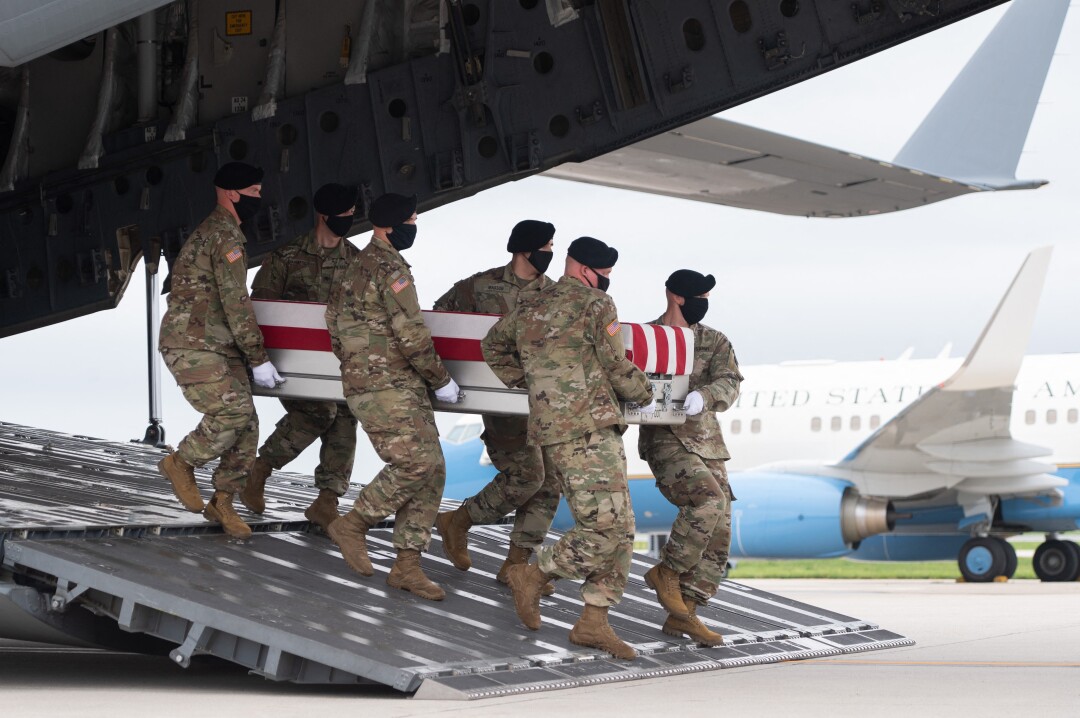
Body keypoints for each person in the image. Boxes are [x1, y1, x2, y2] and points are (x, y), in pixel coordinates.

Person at [482, 236, 655, 659]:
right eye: (604, 275)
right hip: (588, 427)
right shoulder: (596, 306)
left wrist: (536, 385)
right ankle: (534, 574)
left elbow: (492, 346)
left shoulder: (529, 305)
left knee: (622, 526)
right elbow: (616, 365)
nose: (606, 283)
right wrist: (644, 392)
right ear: (582, 269)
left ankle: (593, 621)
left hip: (555, 428)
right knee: (605, 527)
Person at [324, 192, 461, 601]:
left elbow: (333, 325)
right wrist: (441, 380)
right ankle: (353, 523)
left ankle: (407, 565)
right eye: (412, 220)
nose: (414, 227)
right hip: (387, 386)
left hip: (381, 384)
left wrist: (357, 364)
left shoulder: (352, 268)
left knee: (432, 468)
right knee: (416, 463)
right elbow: (412, 335)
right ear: (391, 226)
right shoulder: (390, 271)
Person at [157, 161, 284, 539]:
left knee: (247, 426)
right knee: (234, 412)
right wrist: (259, 358)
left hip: (215, 344)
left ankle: (222, 502)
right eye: (254, 192)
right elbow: (235, 303)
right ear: (232, 193)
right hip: (193, 343)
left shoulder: (222, 233)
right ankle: (181, 462)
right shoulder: (224, 238)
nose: (260, 198)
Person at [432, 220, 559, 591]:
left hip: (543, 406)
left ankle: (516, 566)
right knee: (528, 477)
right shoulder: (480, 287)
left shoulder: (555, 294)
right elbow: (441, 322)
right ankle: (459, 520)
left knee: (551, 484)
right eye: (546, 246)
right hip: (502, 404)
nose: (549, 253)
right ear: (524, 249)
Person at [242, 183, 361, 532]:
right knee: (319, 411)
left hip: (337, 366)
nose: (349, 221)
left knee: (344, 414)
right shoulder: (285, 259)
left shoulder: (357, 264)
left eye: (352, 216)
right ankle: (259, 469)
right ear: (323, 216)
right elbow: (260, 312)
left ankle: (327, 501)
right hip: (290, 365)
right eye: (343, 216)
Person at [637, 269, 743, 646]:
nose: (704, 303)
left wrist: (708, 394)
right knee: (706, 500)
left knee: (719, 532)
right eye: (698, 296)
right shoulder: (646, 338)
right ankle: (668, 571)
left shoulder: (714, 341)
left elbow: (731, 381)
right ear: (675, 296)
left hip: (708, 443)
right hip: (665, 439)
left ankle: (685, 613)